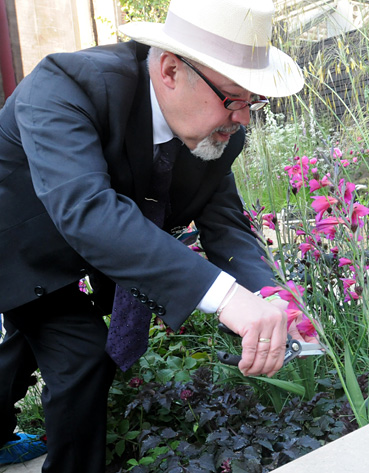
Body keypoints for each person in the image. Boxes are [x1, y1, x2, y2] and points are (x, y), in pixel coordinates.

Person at [0, 0, 308, 470]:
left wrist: (271, 299)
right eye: (233, 98)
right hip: (18, 241)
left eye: (254, 101)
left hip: (91, 248)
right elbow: (87, 211)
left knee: (28, 340)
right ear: (170, 71)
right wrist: (227, 298)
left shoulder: (217, 131)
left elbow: (226, 226)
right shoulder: (66, 84)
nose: (244, 118)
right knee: (81, 353)